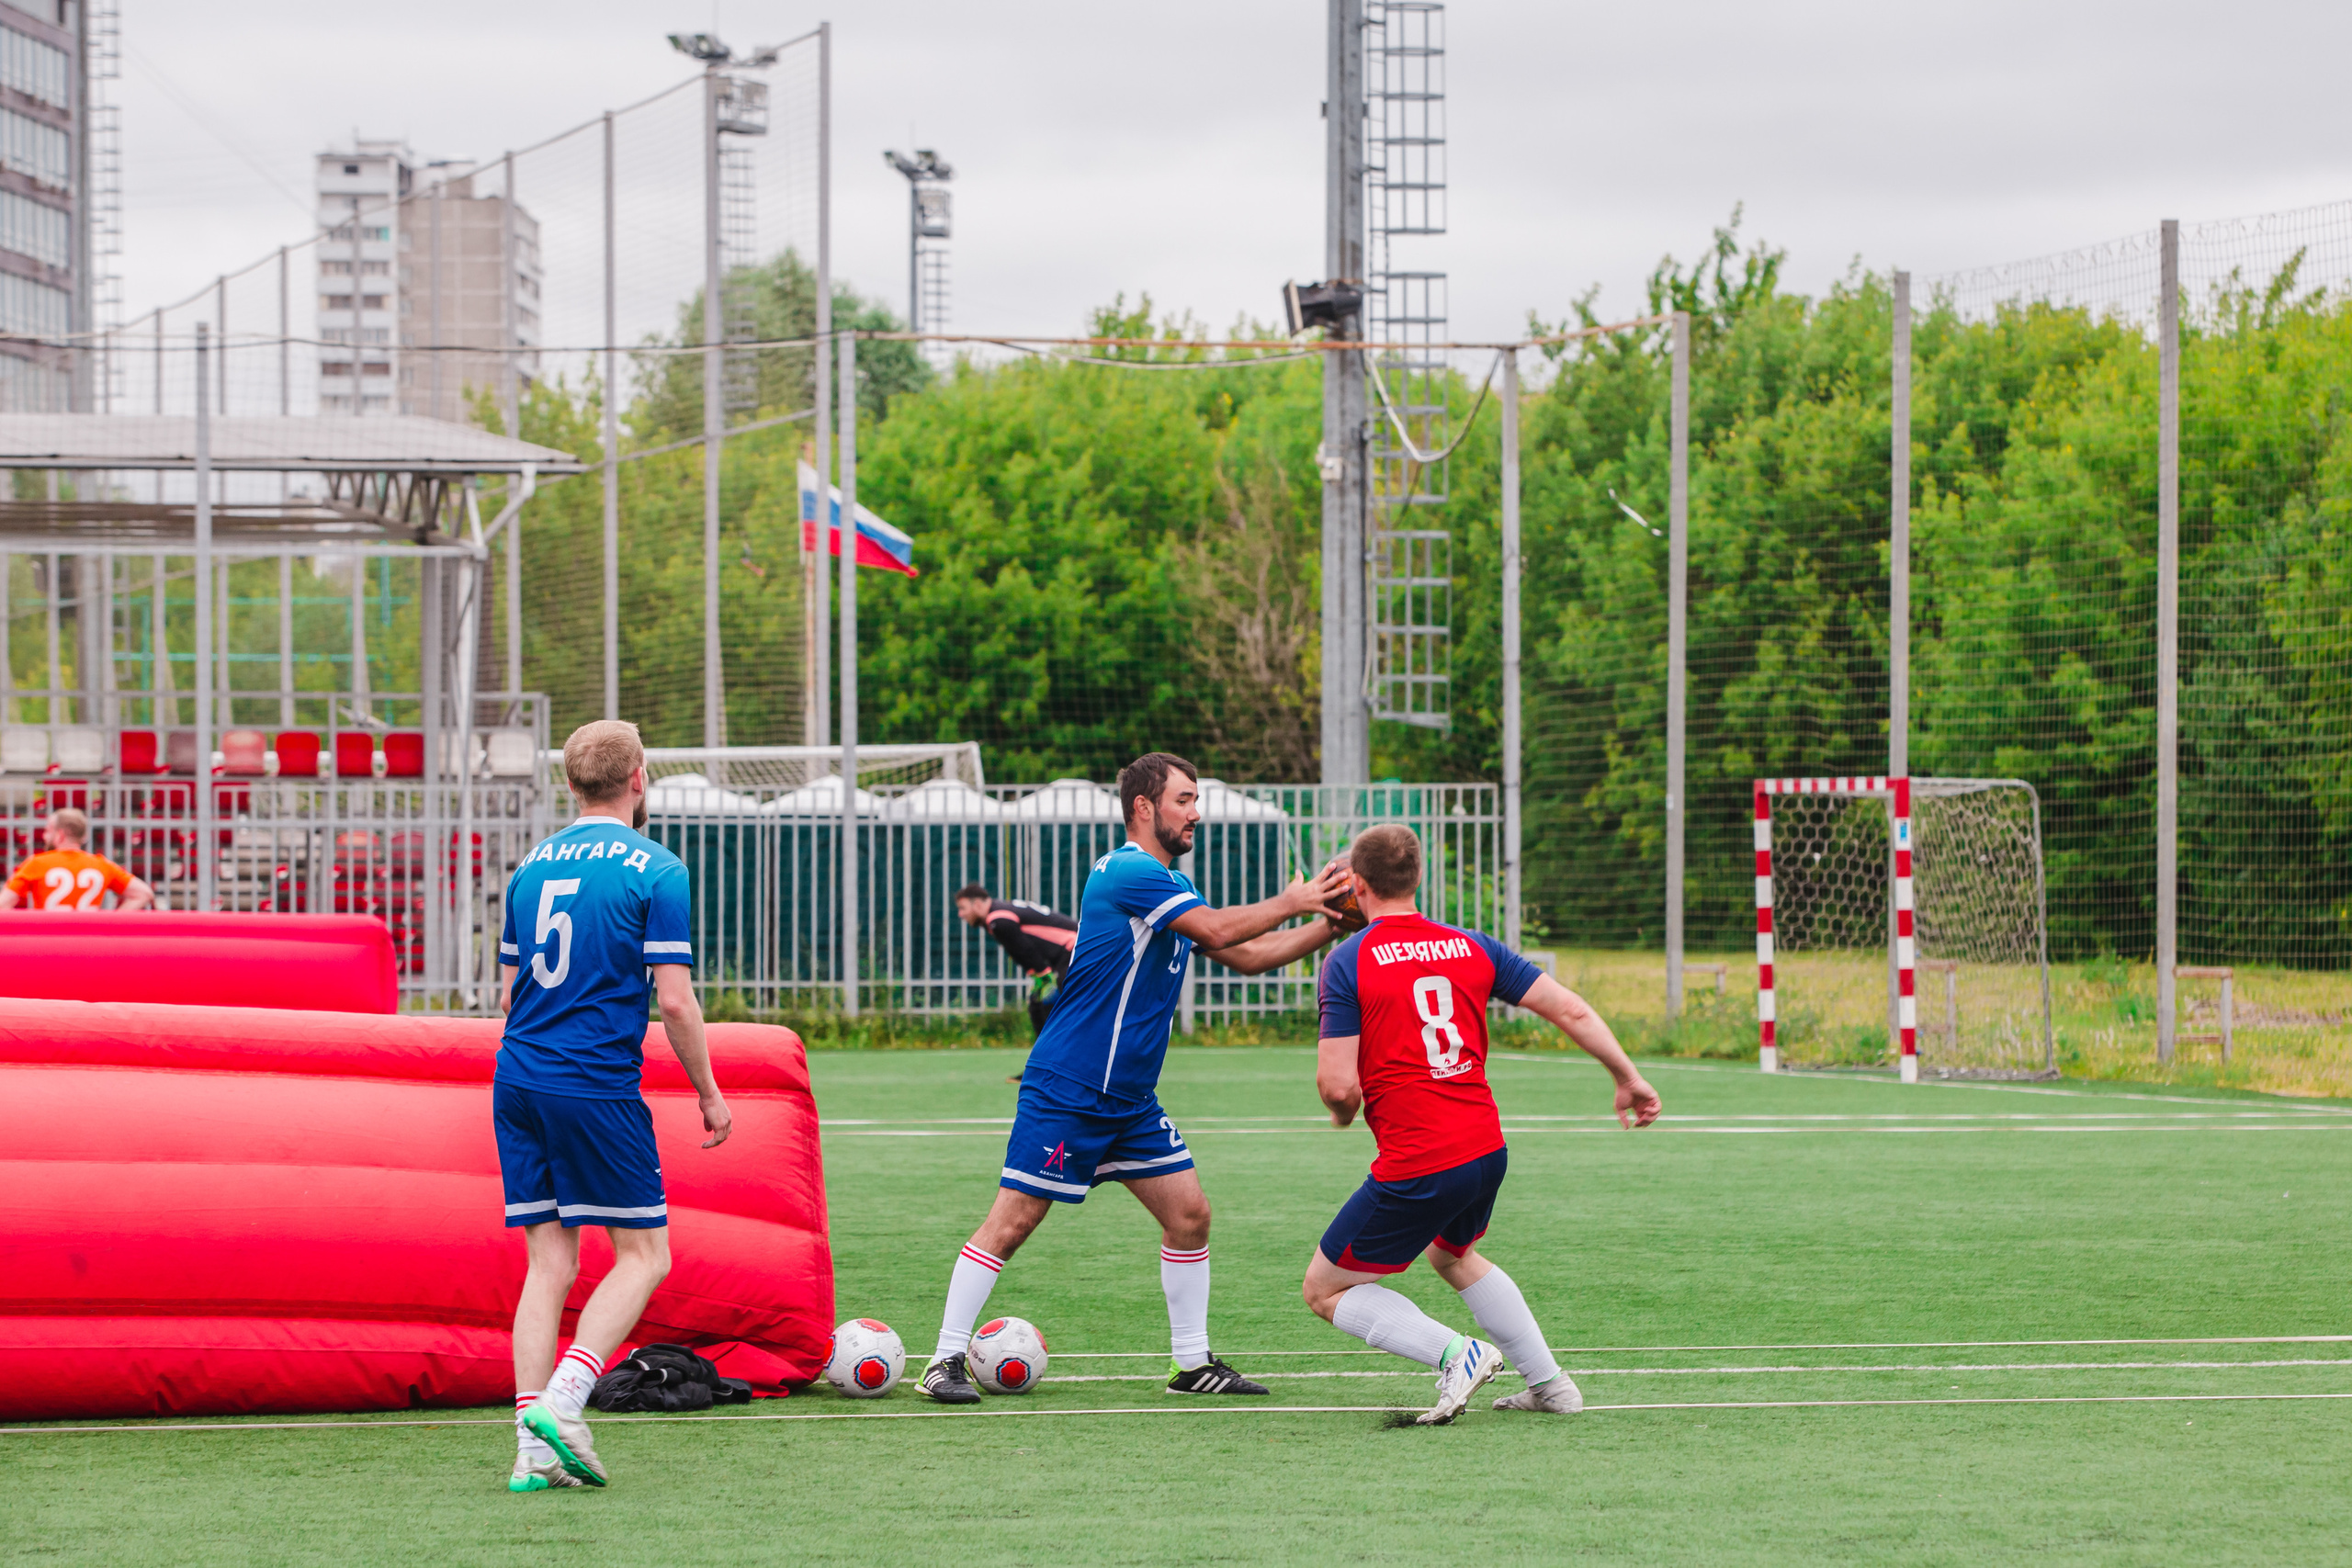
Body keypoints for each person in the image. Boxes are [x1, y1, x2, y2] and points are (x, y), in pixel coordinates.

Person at [921, 752, 1351, 1404]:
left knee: (1190, 1215)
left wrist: (1325, 924)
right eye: (1184, 799)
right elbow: (1217, 929)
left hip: (1128, 1100)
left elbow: (1249, 956)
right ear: (1144, 807)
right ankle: (943, 1359)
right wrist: (1293, 900)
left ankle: (1191, 1365)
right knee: (1012, 1222)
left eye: (1196, 799)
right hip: (1070, 1086)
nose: (1196, 812)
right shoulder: (1128, 870)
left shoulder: (1168, 887)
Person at [1304, 824, 1661, 1425]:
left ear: (1357, 885)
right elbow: (1570, 1007)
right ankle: (1551, 1385)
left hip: (1421, 1159)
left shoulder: (1348, 960)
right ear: (1418, 878)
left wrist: (1343, 1114)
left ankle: (1457, 1353)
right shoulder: (1473, 946)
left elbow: (1338, 1087)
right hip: (1484, 1149)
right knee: (1453, 1254)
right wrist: (1628, 1077)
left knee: (1325, 1288)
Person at [498, 719, 732, 1492]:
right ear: (639, 778)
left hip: (518, 1077)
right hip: (593, 1082)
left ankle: (531, 1449)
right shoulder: (658, 868)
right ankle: (564, 1403)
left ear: (570, 784)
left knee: (549, 1263)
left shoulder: (529, 866)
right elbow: (676, 1001)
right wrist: (709, 1092)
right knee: (645, 1255)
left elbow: (510, 995)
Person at [956, 883, 1077, 1036]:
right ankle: (1045, 1049)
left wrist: (1043, 974)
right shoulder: (999, 913)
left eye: (963, 908)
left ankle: (1065, 1047)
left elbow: (1025, 948)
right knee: (1038, 1005)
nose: (960, 914)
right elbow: (1020, 951)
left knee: (1055, 1003)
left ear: (978, 904)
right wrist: (1038, 973)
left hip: (1073, 949)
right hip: (1066, 953)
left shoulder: (998, 919)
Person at [1, 808, 154, 911]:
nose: (44, 836)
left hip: (48, 940)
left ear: (60, 834)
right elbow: (144, 893)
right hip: (87, 941)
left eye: (48, 831)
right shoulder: (101, 864)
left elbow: (4, 904)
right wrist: (112, 923)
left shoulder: (36, 863)